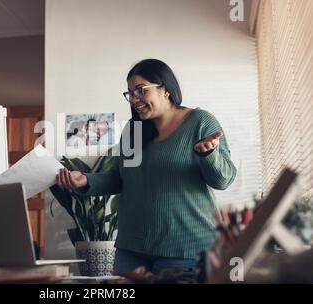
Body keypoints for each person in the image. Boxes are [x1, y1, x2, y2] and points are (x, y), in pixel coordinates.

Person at [56, 59, 236, 275]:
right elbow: (118, 178)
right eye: (130, 93)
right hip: (131, 249)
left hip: (185, 248)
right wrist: (85, 180)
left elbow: (223, 179)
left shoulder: (200, 122)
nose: (134, 99)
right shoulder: (134, 131)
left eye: (140, 90)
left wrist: (208, 155)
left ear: (165, 90)